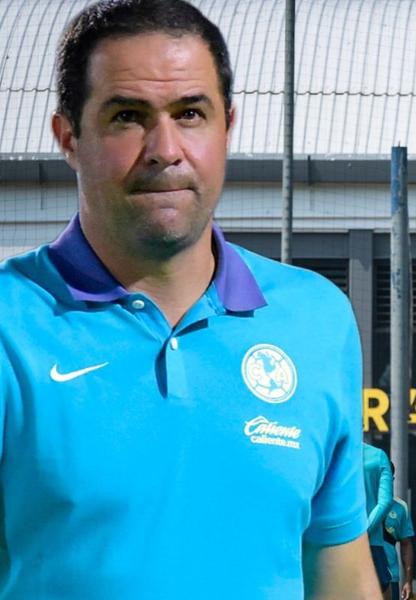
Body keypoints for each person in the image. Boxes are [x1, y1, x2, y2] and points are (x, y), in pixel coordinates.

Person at [0, 0, 377, 596]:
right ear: (68, 137)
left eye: (191, 113)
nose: (165, 148)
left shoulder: (317, 317)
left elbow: (341, 577)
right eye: (128, 115)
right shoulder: (10, 324)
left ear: (227, 125)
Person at [365, 445, 397, 594]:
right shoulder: (377, 456)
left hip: (332, 543)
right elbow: (385, 502)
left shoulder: (326, 452)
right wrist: (363, 531)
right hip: (371, 544)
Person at [384, 496, 416, 600]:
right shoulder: (359, 499)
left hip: (390, 577)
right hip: (362, 576)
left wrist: (408, 581)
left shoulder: (400, 507)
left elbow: (406, 544)